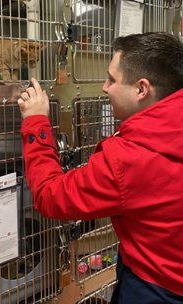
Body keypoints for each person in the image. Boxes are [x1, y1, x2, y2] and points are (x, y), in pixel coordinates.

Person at [18, 32, 183, 303]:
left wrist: (36, 121)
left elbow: (50, 195)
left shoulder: (129, 158)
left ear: (142, 89)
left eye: (112, 79)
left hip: (155, 287)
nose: (105, 87)